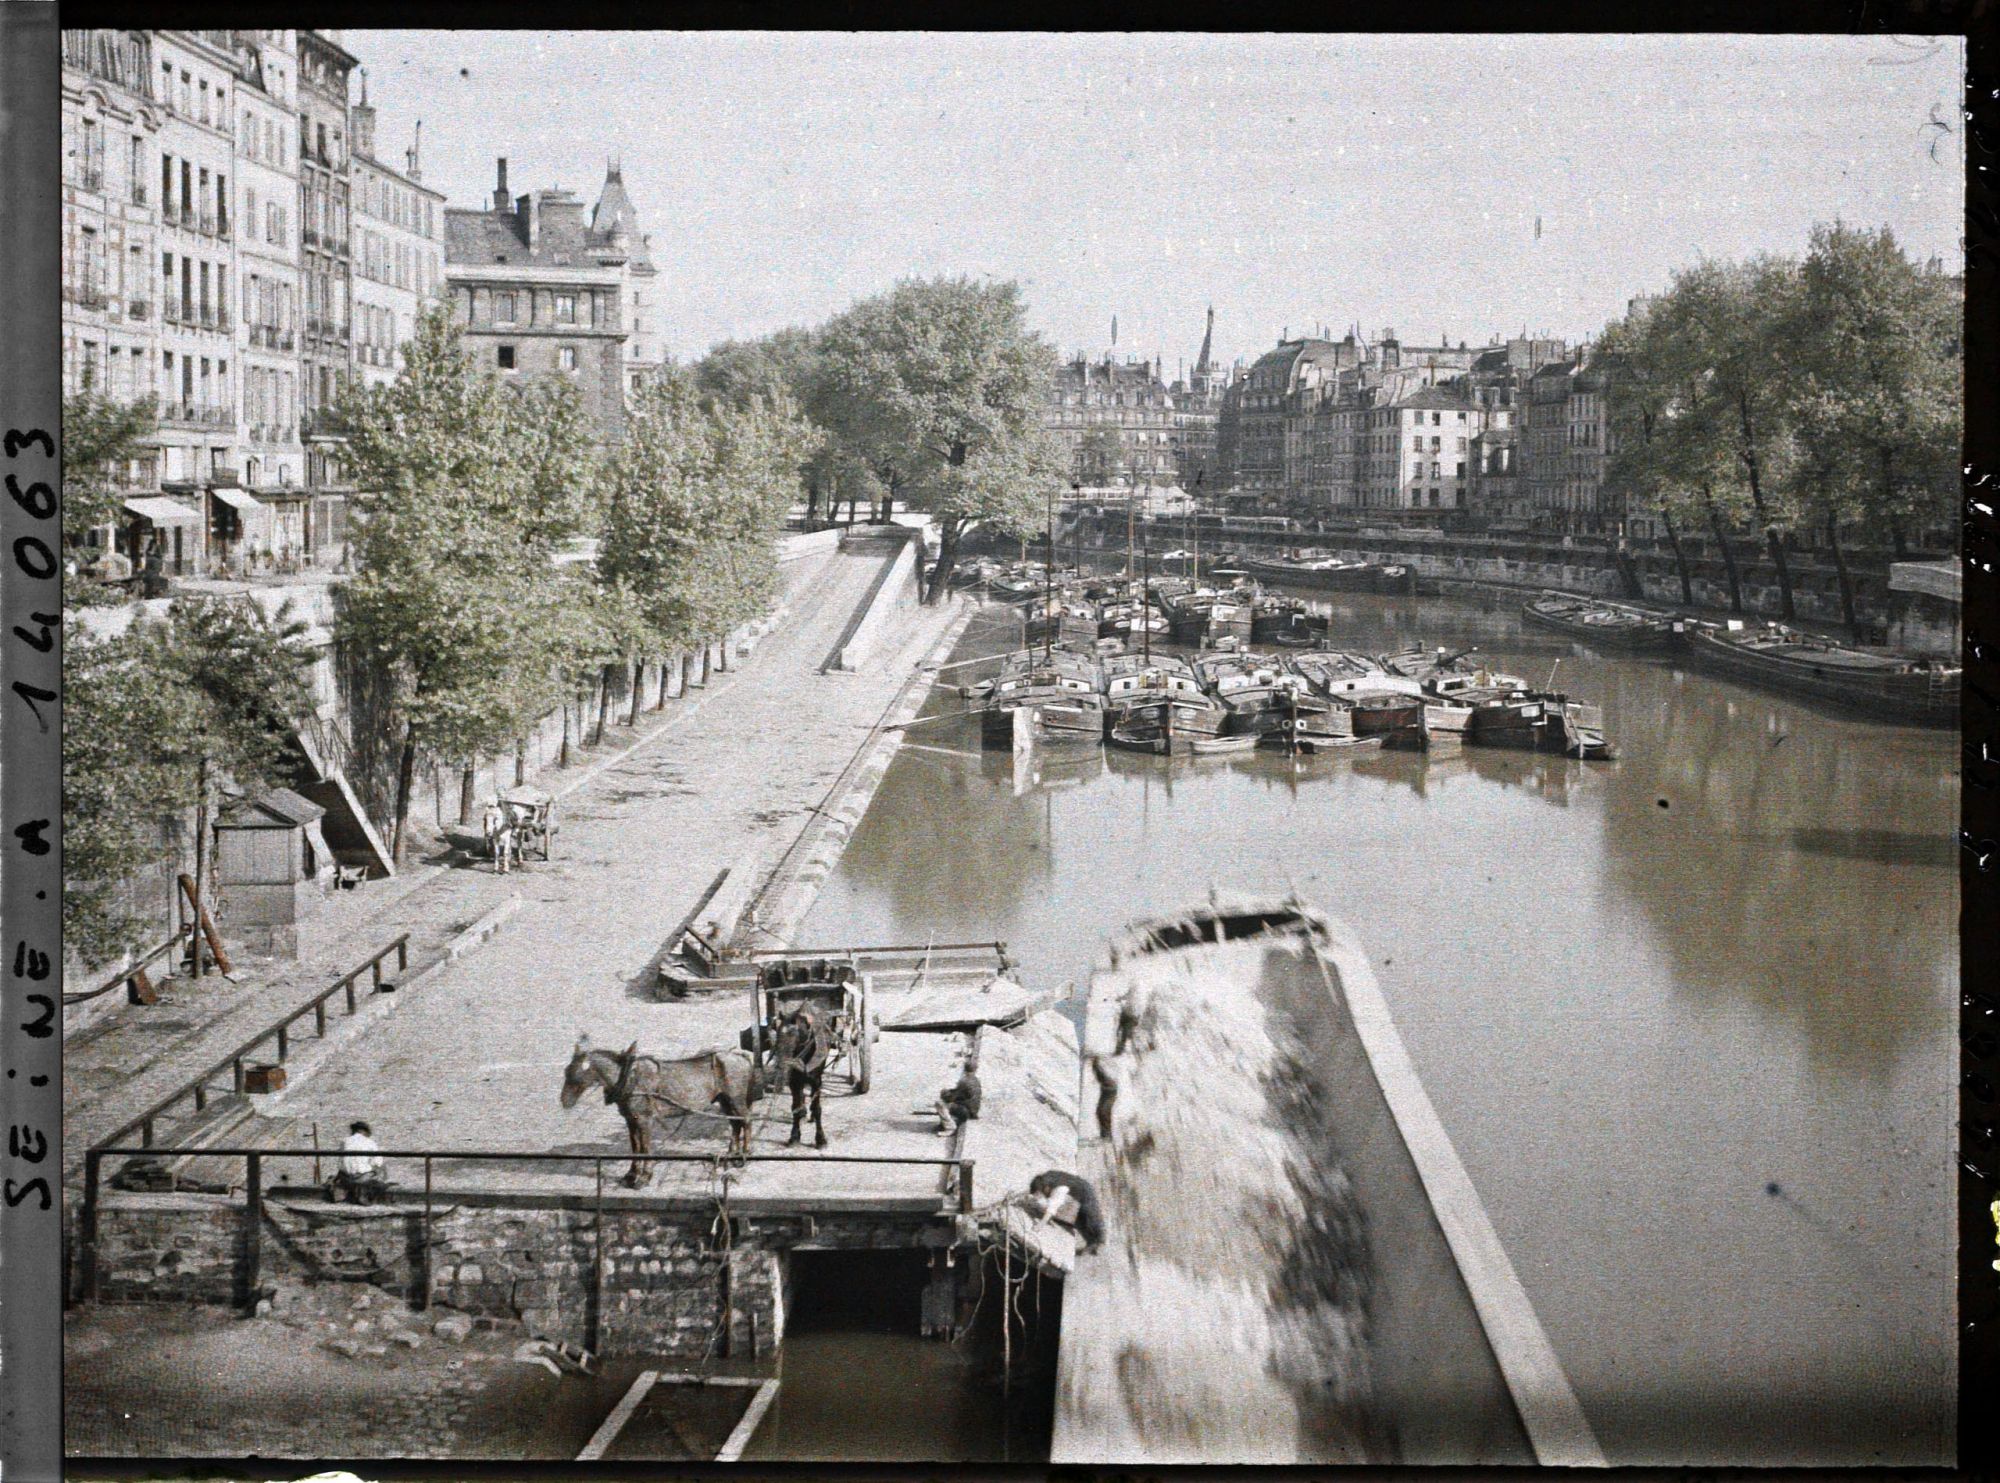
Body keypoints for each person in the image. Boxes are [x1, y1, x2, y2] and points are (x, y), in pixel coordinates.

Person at [1027, 1168, 1105, 1254]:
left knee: (1091, 1216)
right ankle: (1091, 1243)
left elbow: (1051, 1209)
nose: (1045, 1195)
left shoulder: (1059, 1189)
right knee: (1079, 1221)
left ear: (1046, 1188)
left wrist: (1040, 1225)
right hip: (1078, 1189)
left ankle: (1101, 1241)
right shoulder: (1046, 1178)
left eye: (1043, 1193)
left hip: (1085, 1191)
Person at [332, 1120, 387, 1203]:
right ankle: (364, 1192)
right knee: (381, 1165)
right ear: (365, 1131)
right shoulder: (370, 1142)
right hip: (362, 1178)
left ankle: (343, 1191)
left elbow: (340, 1161)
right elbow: (377, 1163)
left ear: (354, 1130)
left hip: (346, 1178)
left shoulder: (345, 1141)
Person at [934, 1069, 982, 1136]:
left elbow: (952, 1097)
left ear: (965, 1070)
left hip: (966, 1111)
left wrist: (944, 1093)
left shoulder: (964, 1081)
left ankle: (950, 1128)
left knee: (939, 1104)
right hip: (973, 1111)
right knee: (948, 1103)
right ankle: (944, 1124)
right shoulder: (975, 1080)